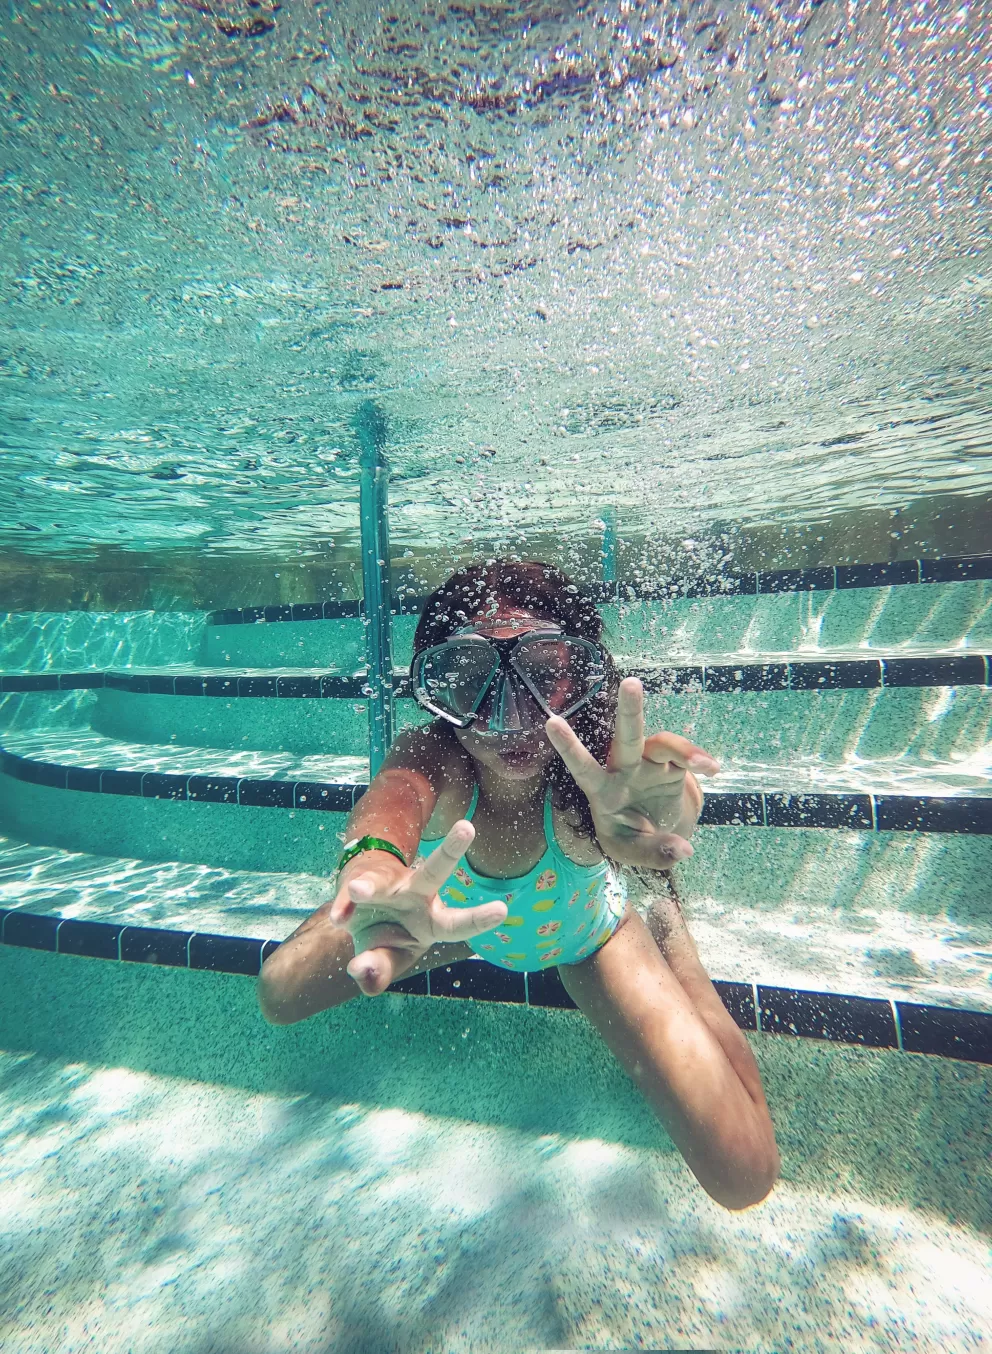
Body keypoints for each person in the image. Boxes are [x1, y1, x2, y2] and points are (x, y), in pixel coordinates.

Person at [258, 560, 779, 1210]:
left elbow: (661, 801)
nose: (508, 717)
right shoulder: (437, 753)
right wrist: (373, 865)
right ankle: (409, 915)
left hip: (589, 935)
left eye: (543, 676)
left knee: (744, 1175)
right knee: (278, 990)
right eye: (472, 681)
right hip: (454, 917)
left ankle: (676, 936)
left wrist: (665, 816)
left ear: (581, 680)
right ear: (435, 691)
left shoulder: (598, 772)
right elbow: (395, 796)